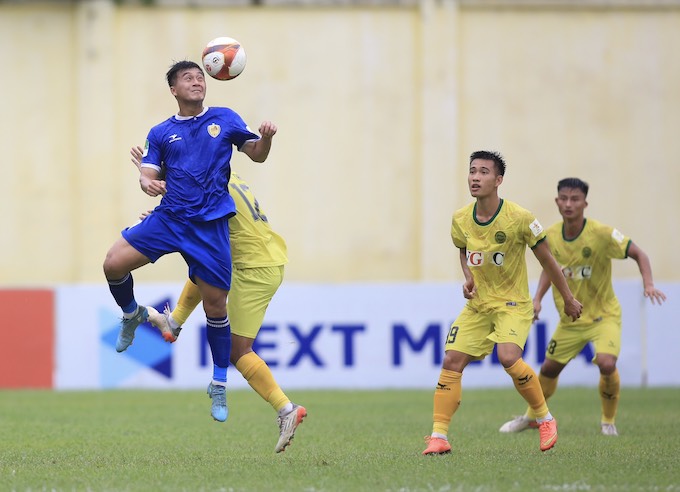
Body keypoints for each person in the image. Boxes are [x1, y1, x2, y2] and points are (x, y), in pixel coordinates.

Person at [103, 60, 276, 424]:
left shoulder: (226, 118)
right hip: (170, 219)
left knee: (216, 309)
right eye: (188, 78)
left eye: (200, 77)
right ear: (173, 90)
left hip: (210, 226)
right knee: (113, 264)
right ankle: (132, 314)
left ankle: (218, 383)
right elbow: (149, 172)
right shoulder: (162, 132)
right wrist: (147, 182)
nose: (197, 81)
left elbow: (256, 153)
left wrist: (267, 139)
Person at [130, 146, 307, 453]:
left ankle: (286, 408)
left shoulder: (201, 183)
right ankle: (174, 323)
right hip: (263, 257)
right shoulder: (222, 172)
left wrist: (157, 218)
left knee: (238, 352)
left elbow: (191, 211)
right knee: (205, 263)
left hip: (253, 267)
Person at [422, 151, 583, 456]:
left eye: (483, 172)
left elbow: (548, 260)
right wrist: (468, 276)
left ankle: (545, 419)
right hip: (478, 306)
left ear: (498, 181)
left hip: (512, 303)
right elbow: (463, 250)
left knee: (508, 356)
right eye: (472, 171)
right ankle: (438, 436)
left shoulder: (520, 218)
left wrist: (569, 298)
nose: (475, 177)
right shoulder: (460, 219)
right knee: (451, 361)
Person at [499, 177, 666, 437]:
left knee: (606, 363)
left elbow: (639, 254)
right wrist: (537, 299)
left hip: (603, 316)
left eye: (574, 199)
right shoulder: (550, 235)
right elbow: (549, 269)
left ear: (584, 203)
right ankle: (532, 417)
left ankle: (608, 421)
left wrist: (649, 284)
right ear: (557, 201)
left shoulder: (601, 234)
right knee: (548, 369)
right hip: (571, 321)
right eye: (563, 199)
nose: (568, 204)